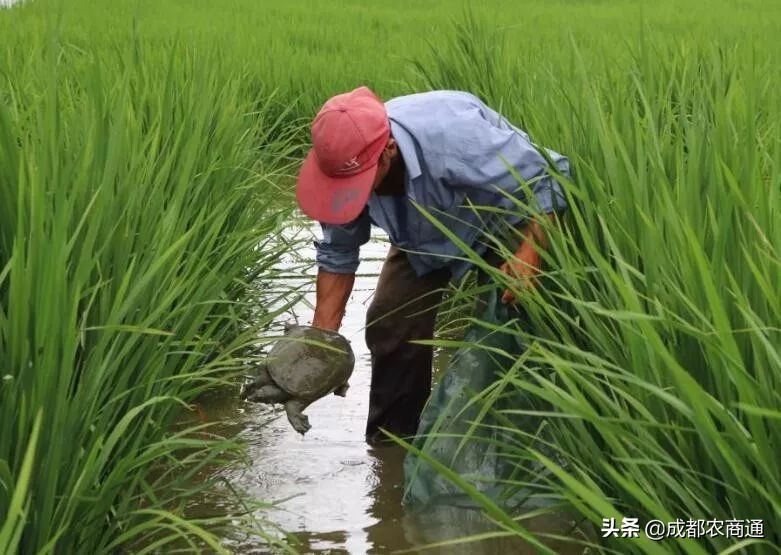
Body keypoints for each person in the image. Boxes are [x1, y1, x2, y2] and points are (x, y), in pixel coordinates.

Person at [295, 86, 570, 446]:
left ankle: (504, 445)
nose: (346, 191)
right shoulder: (340, 167)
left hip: (500, 220)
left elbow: (550, 173)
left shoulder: (457, 139)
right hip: (421, 235)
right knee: (390, 321)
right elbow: (338, 253)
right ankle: (393, 446)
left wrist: (530, 253)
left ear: (387, 152)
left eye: (356, 183)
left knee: (504, 327)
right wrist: (322, 344)